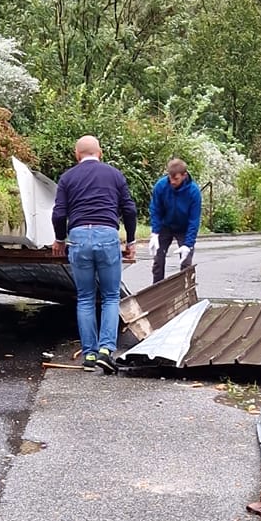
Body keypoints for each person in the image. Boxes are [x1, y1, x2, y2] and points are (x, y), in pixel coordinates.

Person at [51, 136, 137, 372]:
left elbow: (59, 213)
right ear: (100, 153)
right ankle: (106, 351)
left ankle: (89, 355)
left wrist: (60, 239)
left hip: (78, 238)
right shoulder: (114, 175)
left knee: (85, 297)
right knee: (110, 296)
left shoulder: (68, 177)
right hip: (107, 236)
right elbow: (129, 209)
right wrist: (131, 241)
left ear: (77, 155)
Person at [148, 157, 202, 284]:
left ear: (184, 175)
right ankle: (156, 290)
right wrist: (155, 233)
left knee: (186, 262)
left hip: (184, 228)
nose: (172, 181)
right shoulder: (161, 186)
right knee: (158, 261)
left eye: (176, 178)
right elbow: (155, 209)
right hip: (165, 226)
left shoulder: (193, 192)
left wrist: (188, 244)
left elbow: (194, 220)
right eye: (170, 177)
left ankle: (187, 291)